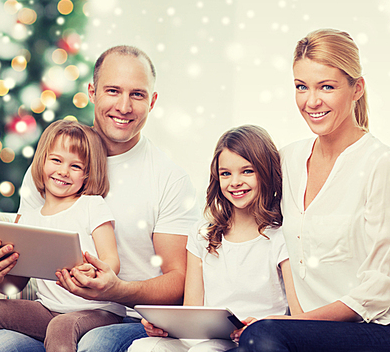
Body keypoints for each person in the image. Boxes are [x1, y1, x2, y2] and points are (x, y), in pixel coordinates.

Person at [0, 46, 197, 352]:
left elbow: (179, 280)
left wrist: (119, 289)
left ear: (152, 101)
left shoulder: (169, 179)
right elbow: (18, 281)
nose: (124, 106)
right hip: (53, 314)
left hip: (130, 319)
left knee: (92, 343)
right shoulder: (53, 169)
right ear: (92, 92)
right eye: (113, 91)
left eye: (138, 95)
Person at [228, 29, 390, 352]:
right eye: (301, 87)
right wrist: (190, 319)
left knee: (264, 337)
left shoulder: (383, 164)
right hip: (311, 330)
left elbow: (381, 288)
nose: (311, 101)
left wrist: (291, 324)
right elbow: (247, 236)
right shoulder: (288, 160)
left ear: (357, 89)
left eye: (327, 86)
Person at [129, 125, 301, 352]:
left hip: (257, 340)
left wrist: (260, 326)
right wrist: (164, 326)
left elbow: (299, 316)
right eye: (226, 173)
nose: (235, 182)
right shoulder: (202, 234)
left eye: (247, 171)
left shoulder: (281, 235)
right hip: (208, 339)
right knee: (143, 347)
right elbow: (192, 309)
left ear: (266, 173)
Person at [0, 119, 124, 351]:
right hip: (48, 310)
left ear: (87, 175)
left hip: (98, 311)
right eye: (56, 160)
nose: (63, 171)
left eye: (75, 166)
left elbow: (112, 261)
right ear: (42, 161)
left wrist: (97, 271)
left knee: (61, 326)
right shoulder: (28, 218)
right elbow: (17, 281)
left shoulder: (91, 205)